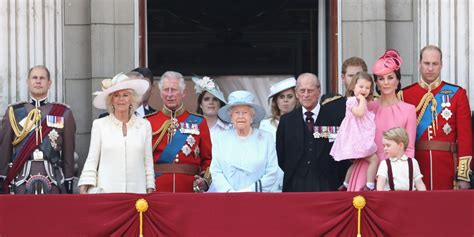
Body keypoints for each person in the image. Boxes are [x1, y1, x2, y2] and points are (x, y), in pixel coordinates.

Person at [400, 45, 472, 190]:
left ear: (441, 65)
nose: (430, 68)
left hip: (448, 167)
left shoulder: (457, 94)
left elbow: (465, 138)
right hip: (416, 166)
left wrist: (463, 174)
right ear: (419, 64)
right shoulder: (405, 95)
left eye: (435, 64)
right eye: (426, 63)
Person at [347, 49, 417, 191]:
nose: (386, 83)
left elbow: (409, 148)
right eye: (381, 78)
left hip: (395, 173)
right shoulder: (367, 108)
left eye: (390, 78)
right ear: (376, 83)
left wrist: (401, 174)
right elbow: (354, 134)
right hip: (366, 169)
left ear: (397, 81)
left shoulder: (409, 110)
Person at [0, 65, 76, 194]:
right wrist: (2, 178)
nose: (38, 81)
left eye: (42, 78)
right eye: (34, 78)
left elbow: (69, 153)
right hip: (20, 179)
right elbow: (4, 149)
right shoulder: (14, 112)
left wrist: (68, 180)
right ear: (28, 82)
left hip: (52, 178)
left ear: (49, 83)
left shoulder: (63, 112)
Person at [78, 73, 155, 194]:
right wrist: (85, 187)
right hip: (107, 193)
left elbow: (148, 162)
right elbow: (92, 160)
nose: (121, 99)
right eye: (116, 95)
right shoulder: (100, 125)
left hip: (137, 194)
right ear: (111, 100)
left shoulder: (144, 126)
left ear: (132, 99)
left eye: (125, 95)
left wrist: (150, 187)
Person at [276, 73, 348, 192]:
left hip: (328, 185)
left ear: (318, 91)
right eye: (302, 90)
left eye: (310, 91)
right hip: (295, 186)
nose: (306, 95)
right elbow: (282, 157)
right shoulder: (286, 121)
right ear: (296, 93)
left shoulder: (334, 118)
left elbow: (342, 153)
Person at [145, 71, 212, 192]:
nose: (169, 94)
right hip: (157, 188)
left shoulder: (199, 122)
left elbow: (208, 159)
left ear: (183, 93)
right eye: (166, 90)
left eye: (174, 90)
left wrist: (204, 180)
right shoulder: (148, 122)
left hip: (189, 188)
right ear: (160, 93)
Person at [210, 90, 278, 192]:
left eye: (245, 112)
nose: (241, 116)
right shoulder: (221, 139)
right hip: (228, 198)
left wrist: (249, 191)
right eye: (237, 113)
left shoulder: (266, 138)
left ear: (252, 116)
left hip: (257, 198)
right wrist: (229, 192)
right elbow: (216, 171)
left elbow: (272, 172)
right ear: (231, 117)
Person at [330, 71, 379, 191]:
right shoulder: (351, 101)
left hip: (359, 137)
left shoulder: (363, 102)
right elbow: (360, 112)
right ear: (353, 87)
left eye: (367, 87)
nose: (364, 90)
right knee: (374, 159)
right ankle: (370, 184)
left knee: (357, 162)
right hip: (356, 138)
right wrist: (362, 99)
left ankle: (346, 184)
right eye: (361, 86)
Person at [259, 77, 297, 192]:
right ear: (276, 101)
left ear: (296, 99)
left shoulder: (303, 123)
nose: (285, 100)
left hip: (295, 178)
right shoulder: (265, 125)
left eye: (290, 97)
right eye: (282, 97)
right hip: (271, 179)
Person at [192, 76, 230, 142]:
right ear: (200, 105)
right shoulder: (191, 128)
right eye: (206, 99)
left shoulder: (228, 128)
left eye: (215, 99)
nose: (211, 102)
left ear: (220, 104)